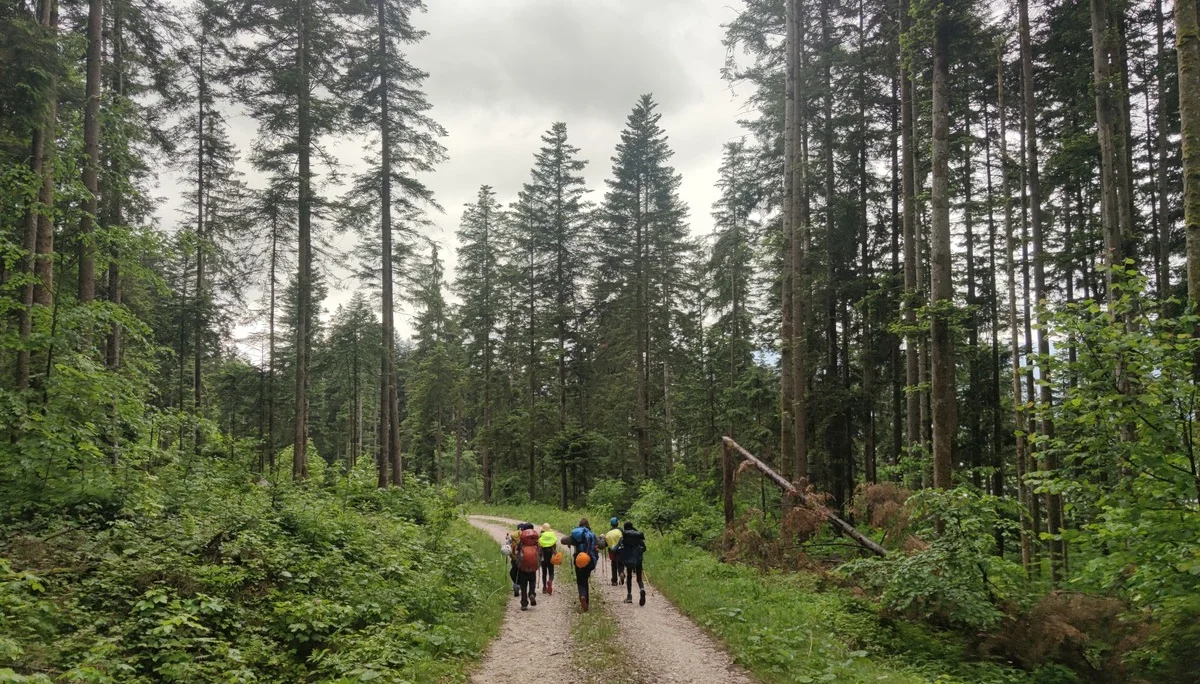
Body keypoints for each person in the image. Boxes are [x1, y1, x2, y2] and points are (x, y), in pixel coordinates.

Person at [565, 518, 598, 612]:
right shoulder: (591, 534)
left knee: (580, 580)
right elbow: (601, 545)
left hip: (578, 560)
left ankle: (582, 595)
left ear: (579, 525)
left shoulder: (575, 535)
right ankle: (586, 602)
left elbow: (563, 540)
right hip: (589, 560)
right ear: (588, 525)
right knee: (585, 579)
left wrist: (571, 542)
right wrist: (603, 539)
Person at [616, 521, 646, 606]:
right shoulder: (637, 537)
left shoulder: (623, 537)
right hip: (638, 560)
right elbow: (644, 548)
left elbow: (618, 548)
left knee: (629, 576)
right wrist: (639, 552)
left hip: (628, 559)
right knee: (639, 578)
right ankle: (641, 589)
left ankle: (629, 596)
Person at [515, 523, 540, 610]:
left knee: (523, 586)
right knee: (532, 581)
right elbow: (539, 553)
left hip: (523, 568)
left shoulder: (522, 542)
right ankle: (532, 594)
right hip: (532, 567)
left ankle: (524, 603)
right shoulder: (535, 541)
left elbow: (517, 552)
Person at [538, 523, 558, 595]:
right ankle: (550, 581)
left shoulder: (540, 537)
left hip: (543, 557)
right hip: (550, 556)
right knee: (551, 571)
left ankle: (544, 588)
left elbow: (538, 548)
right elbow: (554, 548)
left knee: (544, 572)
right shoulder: (552, 536)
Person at [604, 517, 625, 586]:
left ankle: (614, 581)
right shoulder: (621, 531)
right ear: (617, 523)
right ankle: (621, 572)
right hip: (621, 550)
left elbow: (606, 543)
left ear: (611, 524)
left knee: (613, 564)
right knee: (621, 563)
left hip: (612, 551)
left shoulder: (609, 533)